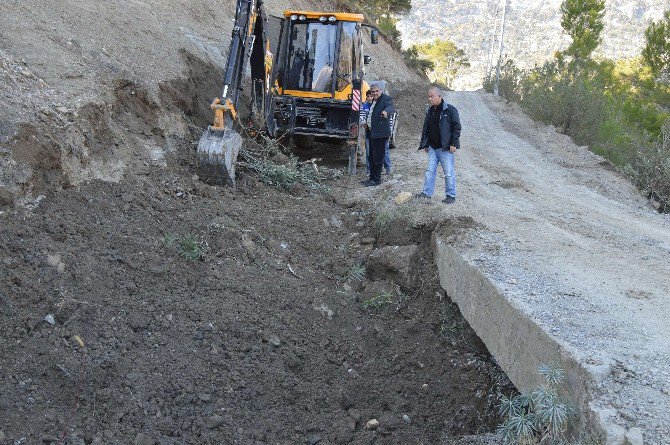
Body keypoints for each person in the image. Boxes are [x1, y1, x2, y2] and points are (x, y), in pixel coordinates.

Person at [415, 86, 461, 203]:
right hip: (432, 147)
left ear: (440, 96)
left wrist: (453, 143)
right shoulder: (430, 111)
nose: (429, 99)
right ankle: (426, 193)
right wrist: (425, 143)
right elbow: (426, 128)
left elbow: (457, 128)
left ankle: (451, 195)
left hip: (445, 148)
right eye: (428, 96)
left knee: (449, 173)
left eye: (432, 96)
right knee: (430, 171)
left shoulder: (450, 110)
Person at [362, 83, 395, 187]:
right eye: (373, 92)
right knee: (371, 157)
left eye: (377, 91)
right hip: (372, 133)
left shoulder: (386, 99)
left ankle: (376, 180)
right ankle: (371, 178)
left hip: (380, 134)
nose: (375, 93)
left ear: (381, 91)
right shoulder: (374, 101)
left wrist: (386, 112)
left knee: (378, 158)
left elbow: (390, 107)